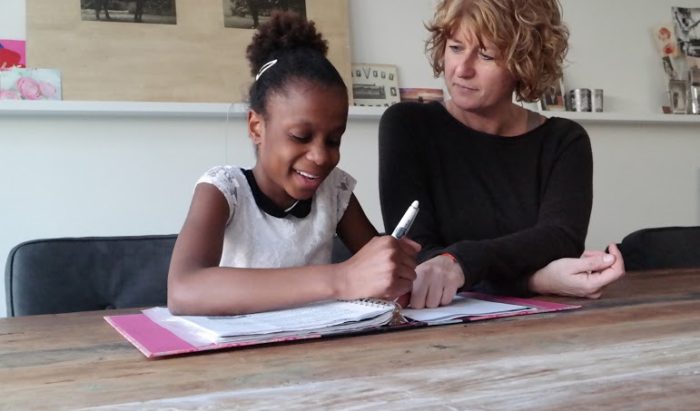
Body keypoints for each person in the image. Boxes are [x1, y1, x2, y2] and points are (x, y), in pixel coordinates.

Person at [168, 11, 420, 316]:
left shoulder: (334, 192)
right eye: (301, 136)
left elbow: (383, 278)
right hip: (239, 353)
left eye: (334, 140)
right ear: (256, 127)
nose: (321, 156)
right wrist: (339, 279)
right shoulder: (224, 191)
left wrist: (397, 274)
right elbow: (184, 289)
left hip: (320, 348)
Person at [379, 0, 625, 309]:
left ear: (524, 64)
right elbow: (420, 255)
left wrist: (459, 262)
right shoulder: (407, 125)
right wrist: (535, 280)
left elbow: (561, 239)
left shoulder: (564, 140)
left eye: (486, 55)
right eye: (456, 47)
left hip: (544, 331)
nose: (462, 69)